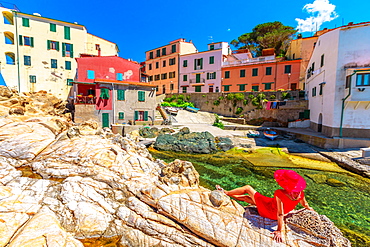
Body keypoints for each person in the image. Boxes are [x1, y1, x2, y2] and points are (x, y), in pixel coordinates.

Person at [216, 169, 314, 243]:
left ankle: (226, 192)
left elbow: (280, 214)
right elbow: (305, 204)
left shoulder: (280, 193)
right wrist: (310, 209)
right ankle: (227, 194)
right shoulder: (301, 194)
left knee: (248, 188)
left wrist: (279, 231)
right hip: (271, 207)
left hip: (269, 211)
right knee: (248, 199)